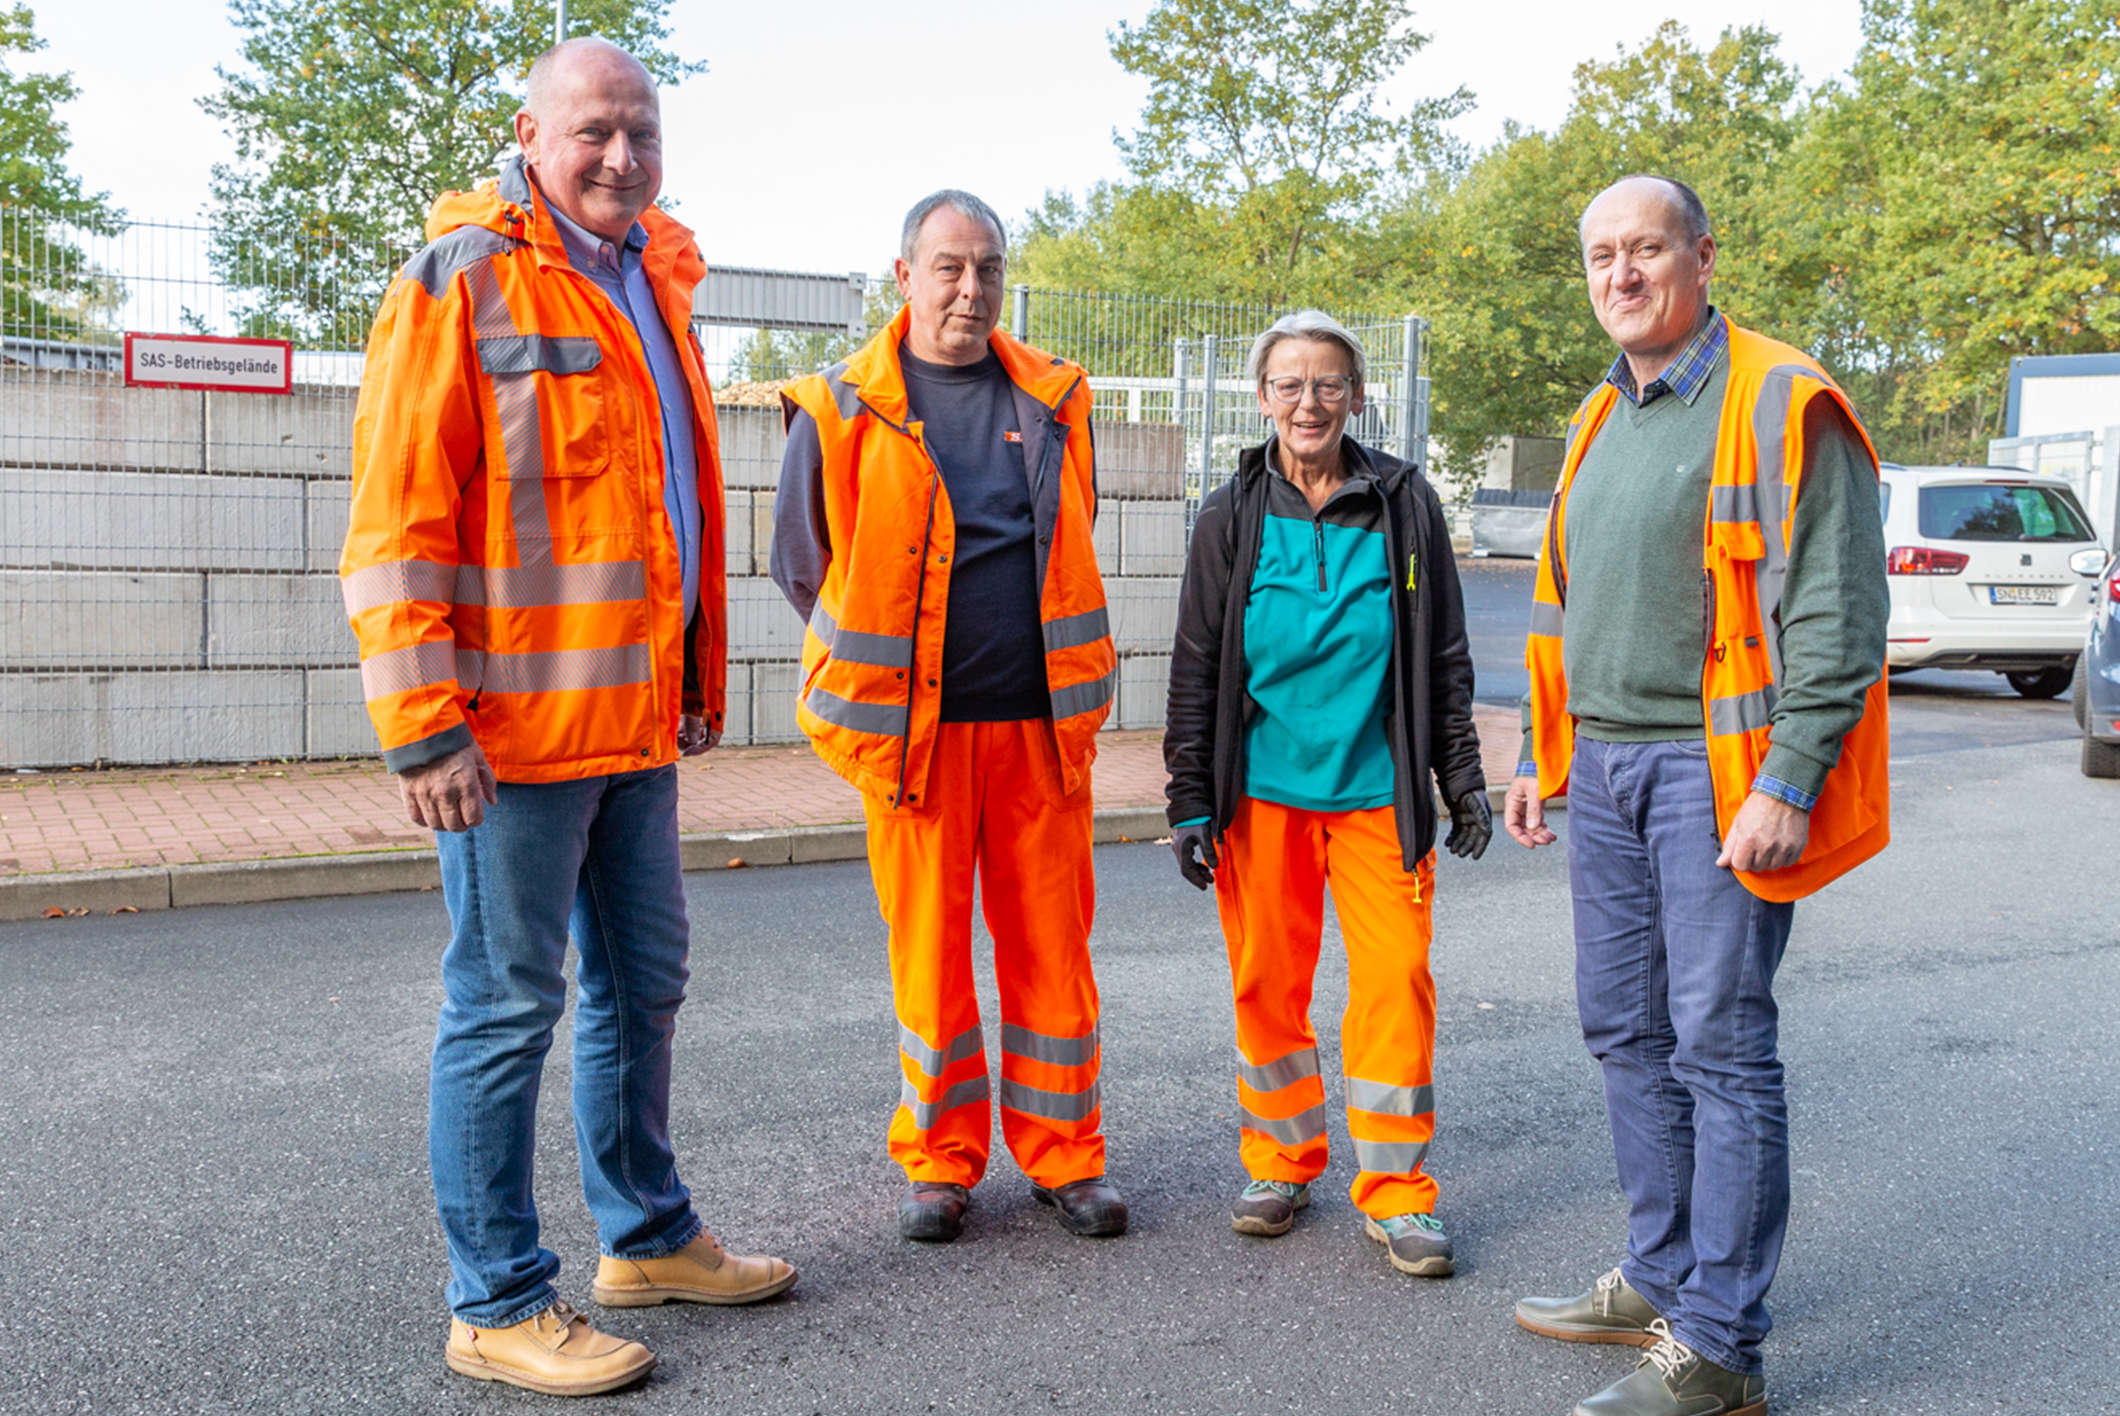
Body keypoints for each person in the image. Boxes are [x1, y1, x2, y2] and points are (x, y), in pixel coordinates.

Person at [341, 38, 794, 1399]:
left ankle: (646, 1238)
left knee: (643, 990)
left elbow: (665, 514)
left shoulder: (652, 279)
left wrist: (694, 685)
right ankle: (493, 1302)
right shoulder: (462, 281)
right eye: (594, 131)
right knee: (503, 1009)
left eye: (642, 134)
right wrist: (422, 722)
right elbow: (394, 521)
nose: (621, 158)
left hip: (632, 730)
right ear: (530, 135)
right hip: (509, 743)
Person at [1505, 175, 1890, 1416]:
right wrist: (1537, 753)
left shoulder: (1781, 398)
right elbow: (1570, 604)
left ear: (1702, 258)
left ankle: (1719, 1346)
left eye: (1645, 250)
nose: (1620, 275)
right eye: (1600, 256)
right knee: (1623, 1031)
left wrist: (1788, 773)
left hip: (1712, 775)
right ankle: (1658, 1275)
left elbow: (1836, 613)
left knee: (1719, 1050)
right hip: (1606, 770)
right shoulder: (1595, 415)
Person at [770, 191, 1126, 1243]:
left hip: (1040, 732)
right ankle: (939, 1162)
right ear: (904, 276)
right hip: (911, 744)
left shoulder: (1059, 401)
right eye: (948, 268)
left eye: (987, 270)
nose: (969, 290)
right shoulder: (837, 408)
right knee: (928, 960)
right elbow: (806, 569)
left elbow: (1069, 540)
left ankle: (1066, 1157)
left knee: (1051, 955)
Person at [1162, 310, 1491, 1277]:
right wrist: (1189, 800)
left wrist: (1460, 777)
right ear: (1263, 398)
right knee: (1269, 983)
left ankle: (1397, 1195)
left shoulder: (1403, 502)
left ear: (1356, 396)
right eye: (1291, 385)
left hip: (1377, 796)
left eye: (1330, 385)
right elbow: (1196, 666)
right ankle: (1281, 1161)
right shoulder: (1230, 514)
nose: (1311, 403)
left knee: (1395, 984)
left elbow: (1443, 653)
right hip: (1260, 794)